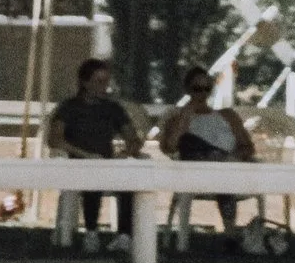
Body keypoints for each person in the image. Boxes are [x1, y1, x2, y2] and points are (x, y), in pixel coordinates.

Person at [47, 58, 143, 252]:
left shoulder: (112, 108)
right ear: (84, 82)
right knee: (92, 173)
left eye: (107, 81)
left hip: (107, 163)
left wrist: (126, 152)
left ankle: (124, 235)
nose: (104, 87)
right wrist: (84, 155)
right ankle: (91, 231)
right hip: (76, 163)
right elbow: (55, 139)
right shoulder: (69, 108)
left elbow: (133, 138)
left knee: (128, 177)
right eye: (99, 81)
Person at [157, 66, 255, 238]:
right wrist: (184, 118)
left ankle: (230, 235)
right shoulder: (178, 118)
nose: (202, 94)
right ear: (188, 90)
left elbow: (248, 147)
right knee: (188, 141)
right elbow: (169, 148)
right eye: (197, 89)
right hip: (195, 170)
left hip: (225, 168)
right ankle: (231, 235)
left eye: (207, 89)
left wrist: (235, 157)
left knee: (222, 174)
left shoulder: (227, 115)